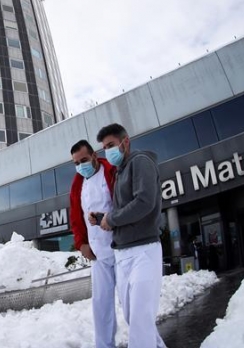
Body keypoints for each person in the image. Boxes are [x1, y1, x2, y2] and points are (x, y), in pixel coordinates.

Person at [93, 123, 166, 348]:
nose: (108, 151)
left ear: (126, 142)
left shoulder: (140, 162)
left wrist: (111, 219)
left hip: (144, 251)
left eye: (111, 145)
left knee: (141, 322)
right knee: (134, 319)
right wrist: (103, 217)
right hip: (123, 254)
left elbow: (144, 202)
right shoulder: (120, 172)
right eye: (104, 148)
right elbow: (123, 211)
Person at [69, 139, 118, 348]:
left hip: (121, 249)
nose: (81, 166)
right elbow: (75, 217)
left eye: (84, 160)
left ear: (95, 156)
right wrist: (81, 244)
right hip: (98, 255)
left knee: (133, 303)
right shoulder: (78, 184)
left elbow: (122, 203)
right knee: (101, 307)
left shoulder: (111, 171)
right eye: (76, 163)